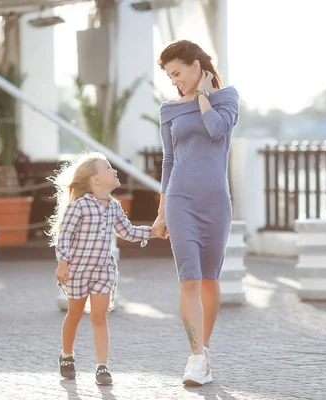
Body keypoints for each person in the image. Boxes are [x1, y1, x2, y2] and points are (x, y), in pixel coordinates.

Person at [151, 40, 240, 386]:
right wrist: (161, 213)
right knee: (188, 278)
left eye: (177, 73)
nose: (174, 81)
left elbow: (218, 130)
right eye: (170, 76)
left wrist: (203, 95)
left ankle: (204, 348)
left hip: (215, 202)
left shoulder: (227, 98)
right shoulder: (168, 110)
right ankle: (196, 356)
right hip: (180, 201)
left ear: (196, 66)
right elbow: (168, 161)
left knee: (209, 279)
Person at [47, 152, 158, 385]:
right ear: (95, 179)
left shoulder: (114, 207)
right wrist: (63, 263)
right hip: (77, 270)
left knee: (99, 317)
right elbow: (64, 236)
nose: (114, 171)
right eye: (108, 168)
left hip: (103, 270)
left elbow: (127, 232)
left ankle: (102, 367)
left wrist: (153, 231)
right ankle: (66, 355)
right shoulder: (79, 207)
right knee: (75, 314)